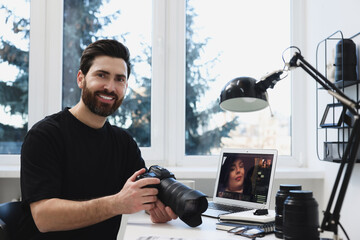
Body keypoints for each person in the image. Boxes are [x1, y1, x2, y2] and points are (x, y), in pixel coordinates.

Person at [19, 39, 177, 240]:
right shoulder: (45, 136)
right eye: (101, 75)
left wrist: (157, 208)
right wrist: (117, 203)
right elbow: (43, 218)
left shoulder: (124, 143)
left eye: (119, 79)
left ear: (126, 86)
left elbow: (140, 195)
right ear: (80, 79)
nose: (110, 87)